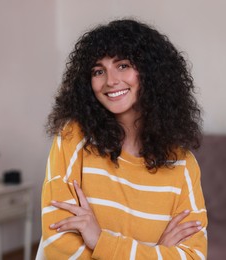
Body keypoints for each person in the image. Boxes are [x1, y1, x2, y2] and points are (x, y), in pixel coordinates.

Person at [39, 19, 207, 259]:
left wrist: (99, 241)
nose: (110, 81)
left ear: (151, 72)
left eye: (123, 65)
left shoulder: (182, 164)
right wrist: (155, 252)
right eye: (98, 71)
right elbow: (57, 243)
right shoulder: (72, 137)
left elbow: (194, 256)